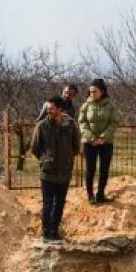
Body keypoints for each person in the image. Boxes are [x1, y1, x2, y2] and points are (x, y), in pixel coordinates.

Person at [30, 95, 81, 243]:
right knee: (47, 203)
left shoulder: (71, 125)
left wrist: (67, 157)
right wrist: (46, 159)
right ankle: (46, 233)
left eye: (51, 108)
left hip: (65, 171)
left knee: (60, 203)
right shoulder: (42, 126)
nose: (48, 111)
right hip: (48, 171)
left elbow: (76, 146)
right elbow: (35, 148)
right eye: (47, 108)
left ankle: (55, 231)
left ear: (59, 109)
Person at [77, 78, 120, 205]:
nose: (92, 94)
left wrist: (103, 138)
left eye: (94, 91)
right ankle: (90, 195)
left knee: (104, 169)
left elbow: (114, 123)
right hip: (89, 143)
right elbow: (82, 123)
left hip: (106, 143)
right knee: (90, 169)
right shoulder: (85, 106)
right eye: (90, 92)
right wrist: (92, 138)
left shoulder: (111, 106)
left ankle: (101, 194)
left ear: (102, 91)